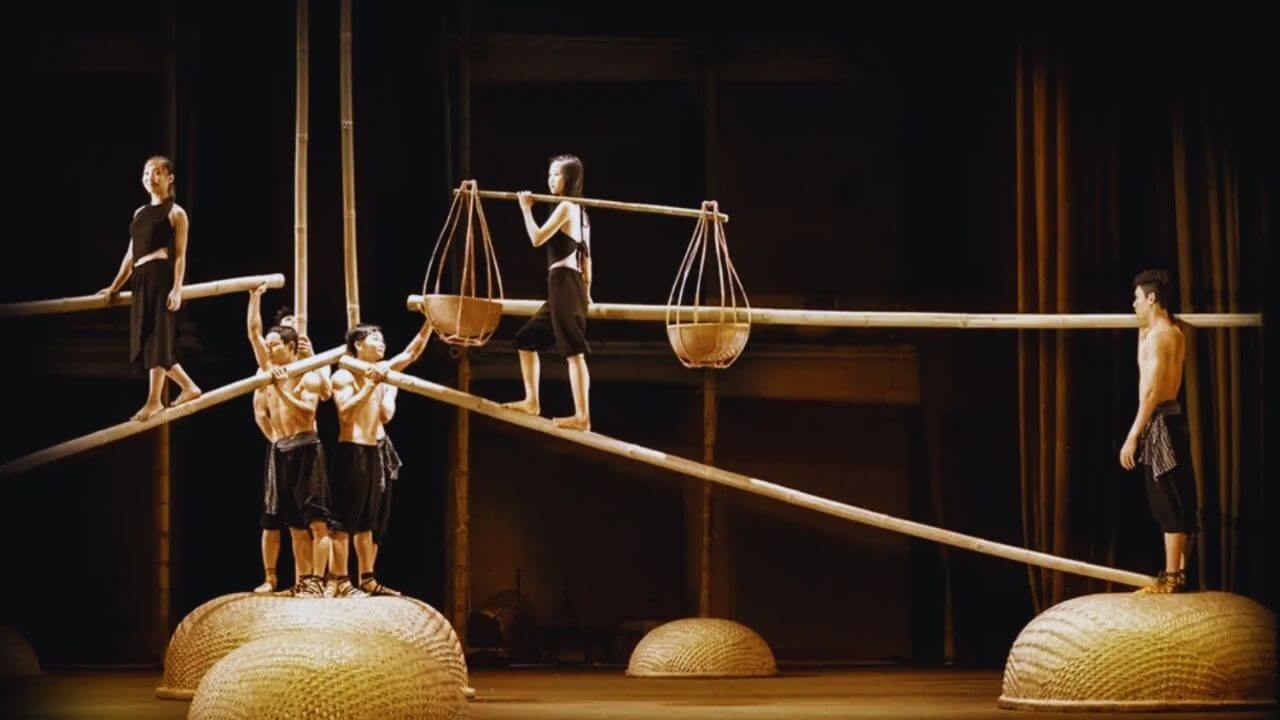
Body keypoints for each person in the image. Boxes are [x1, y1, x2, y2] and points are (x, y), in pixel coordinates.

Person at [327, 316, 432, 597]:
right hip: (352, 448)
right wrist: (371, 385)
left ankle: (367, 578)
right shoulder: (343, 375)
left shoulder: (381, 369)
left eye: (383, 340)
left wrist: (430, 323)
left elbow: (411, 353)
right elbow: (346, 412)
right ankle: (340, 579)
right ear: (359, 344)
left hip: (374, 450)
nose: (382, 344)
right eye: (376, 339)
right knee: (344, 521)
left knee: (367, 522)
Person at [98, 156, 202, 421]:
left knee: (158, 339)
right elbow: (131, 254)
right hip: (140, 278)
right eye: (146, 172)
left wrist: (177, 289)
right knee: (146, 339)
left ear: (169, 178)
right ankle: (189, 387)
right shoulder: (139, 213)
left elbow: (180, 255)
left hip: (160, 276)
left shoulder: (176, 212)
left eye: (157, 172)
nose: (150, 177)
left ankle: (154, 400)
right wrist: (113, 287)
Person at [501, 154, 593, 431]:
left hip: (565, 283)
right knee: (526, 340)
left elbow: (537, 238)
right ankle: (532, 401)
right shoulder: (582, 212)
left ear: (570, 179)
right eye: (550, 174)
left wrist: (525, 209)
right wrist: (587, 291)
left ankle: (582, 417)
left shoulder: (567, 206)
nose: (551, 179)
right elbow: (587, 259)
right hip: (566, 285)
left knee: (573, 351)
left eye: (557, 175)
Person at [1119, 269, 1198, 594]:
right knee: (1179, 495)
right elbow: (1149, 371)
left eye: (1137, 299)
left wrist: (1133, 436)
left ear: (1152, 298)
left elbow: (1150, 391)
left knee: (1167, 499)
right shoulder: (1173, 331)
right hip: (1172, 417)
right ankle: (1178, 573)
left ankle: (1172, 578)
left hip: (1160, 421)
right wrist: (1143, 331)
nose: (1133, 304)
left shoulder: (1161, 336)